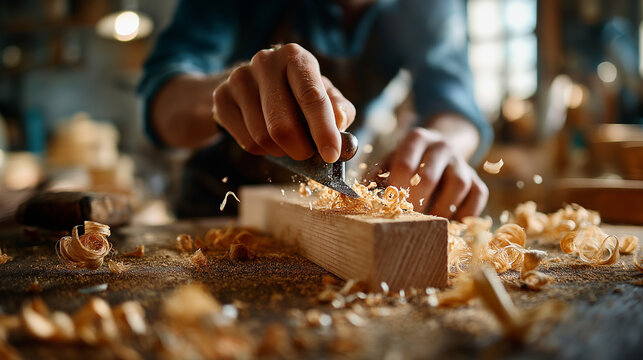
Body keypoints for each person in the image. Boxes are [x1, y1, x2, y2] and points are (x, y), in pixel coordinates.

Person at [139, 0, 493, 219]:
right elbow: (162, 107)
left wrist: (442, 145)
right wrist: (225, 94)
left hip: (325, 202)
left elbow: (455, 107)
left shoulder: (429, 7)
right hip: (216, 206)